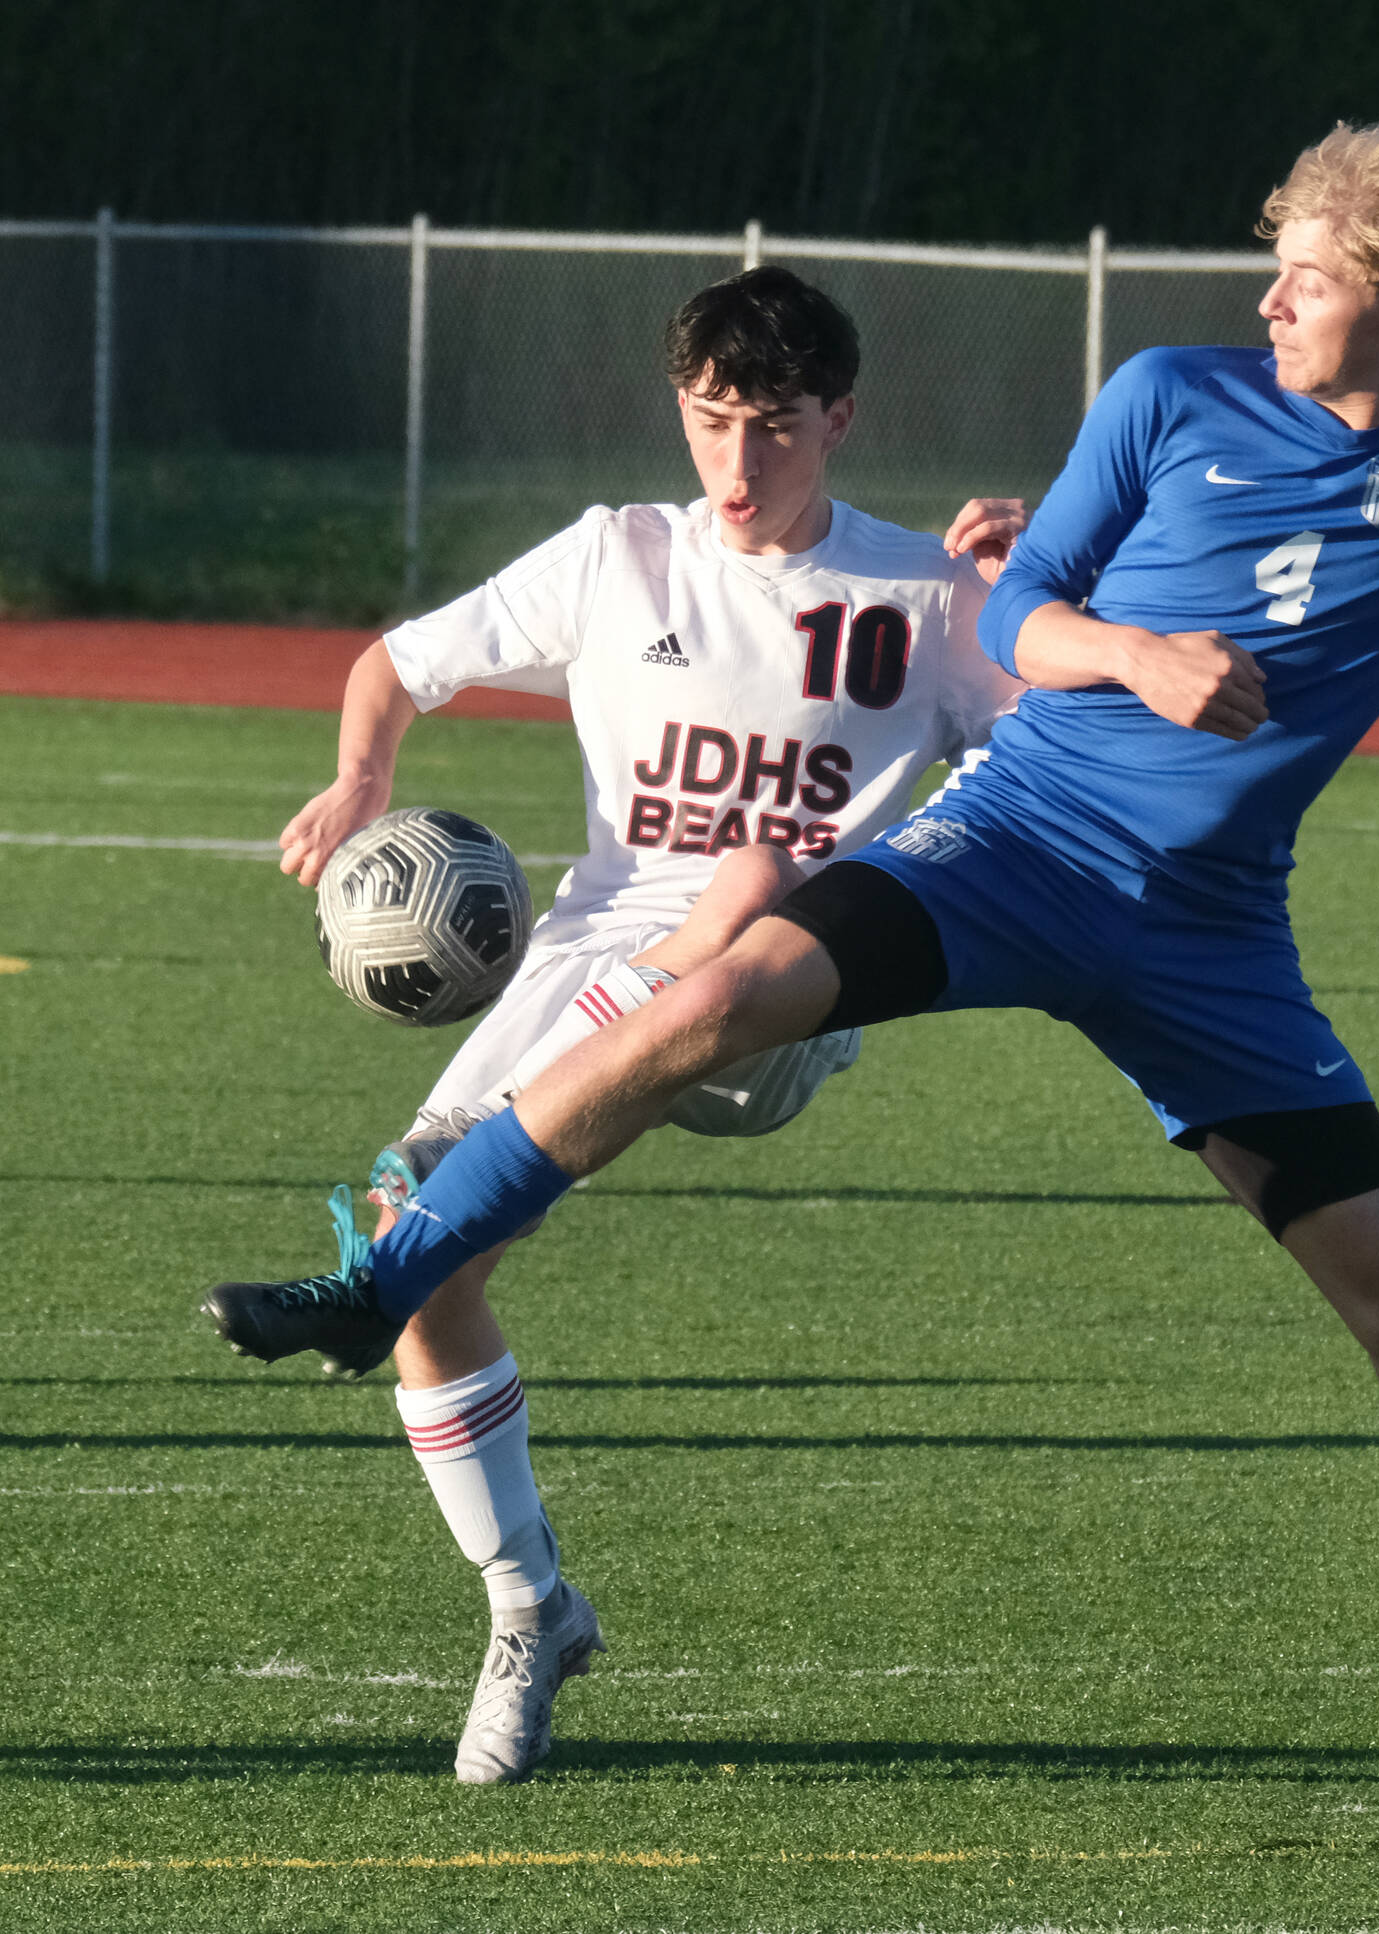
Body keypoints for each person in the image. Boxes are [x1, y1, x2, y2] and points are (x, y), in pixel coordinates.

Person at [209, 121, 1379, 1793]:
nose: (1269, 299)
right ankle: (387, 1283)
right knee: (723, 986)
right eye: (1273, 268)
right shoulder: (1166, 397)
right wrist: (1139, 652)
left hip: (1207, 937)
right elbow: (1021, 609)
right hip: (1015, 844)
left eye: (1307, 274)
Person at [214, 264, 1025, 1783]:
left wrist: (1048, 594)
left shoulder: (928, 595)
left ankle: (448, 1170)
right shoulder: (616, 557)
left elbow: (1080, 733)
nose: (737, 461)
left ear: (837, 419)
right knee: (428, 1267)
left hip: (783, 988)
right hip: (587, 965)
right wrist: (363, 777)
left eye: (773, 425)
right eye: (712, 420)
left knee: (754, 867)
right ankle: (530, 1605)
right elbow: (394, 662)